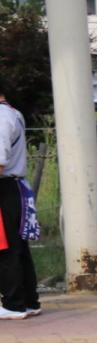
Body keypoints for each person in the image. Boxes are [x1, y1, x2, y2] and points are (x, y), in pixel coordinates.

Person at [0, 79, 39, 321]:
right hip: (15, 186)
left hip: (4, 186)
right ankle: (28, 301)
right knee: (19, 247)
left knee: (6, 248)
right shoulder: (13, 113)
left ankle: (13, 304)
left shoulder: (1, 117)